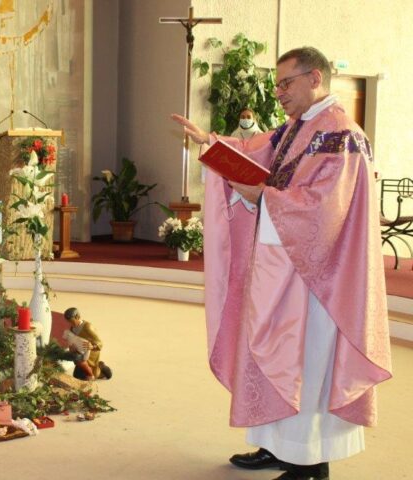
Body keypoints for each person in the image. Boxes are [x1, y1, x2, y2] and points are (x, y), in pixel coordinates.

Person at [171, 47, 392, 480]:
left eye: (286, 83)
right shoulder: (297, 128)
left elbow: (326, 209)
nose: (279, 92)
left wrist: (264, 198)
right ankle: (276, 445)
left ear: (315, 78)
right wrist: (210, 144)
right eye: (276, 85)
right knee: (271, 354)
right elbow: (253, 152)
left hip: (319, 278)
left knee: (305, 364)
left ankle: (308, 462)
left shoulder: (341, 134)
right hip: (283, 267)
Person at [63, 307, 112, 381]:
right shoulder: (72, 328)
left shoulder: (87, 327)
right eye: (69, 322)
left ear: (77, 317)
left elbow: (100, 342)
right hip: (81, 353)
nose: (71, 324)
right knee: (77, 375)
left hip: (91, 354)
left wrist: (92, 346)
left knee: (93, 374)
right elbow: (72, 340)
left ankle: (101, 368)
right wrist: (72, 347)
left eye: (72, 322)